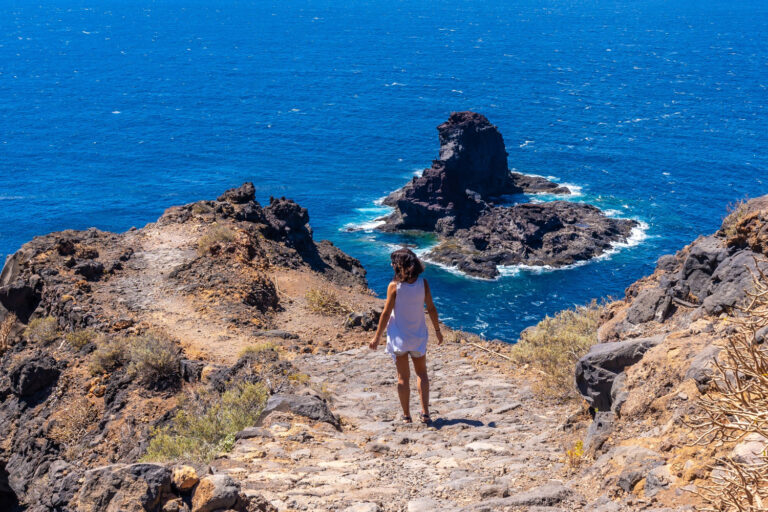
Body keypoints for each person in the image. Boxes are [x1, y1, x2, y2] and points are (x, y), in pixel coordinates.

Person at [369, 248, 443, 424]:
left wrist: (377, 337)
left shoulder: (394, 286)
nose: (391, 265)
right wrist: (438, 331)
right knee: (422, 374)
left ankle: (406, 416)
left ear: (399, 265)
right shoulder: (423, 284)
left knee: (403, 378)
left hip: (399, 338)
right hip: (418, 336)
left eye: (393, 262)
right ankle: (425, 414)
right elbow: (431, 308)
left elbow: (386, 313)